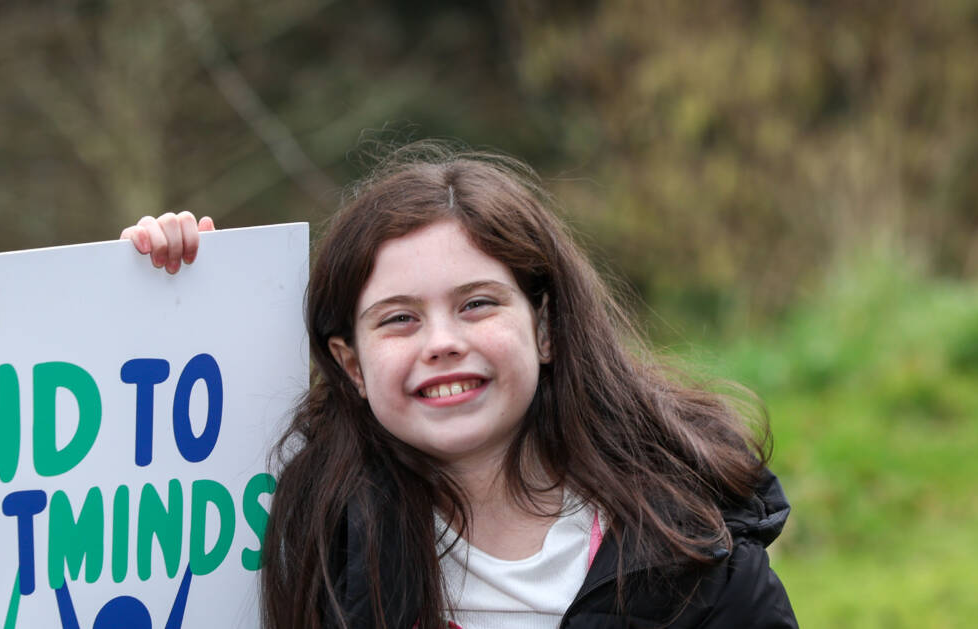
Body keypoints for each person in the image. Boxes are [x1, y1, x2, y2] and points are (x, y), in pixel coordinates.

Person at [120, 143, 796, 628]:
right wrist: (172, 296)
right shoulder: (319, 545)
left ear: (546, 328)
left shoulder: (697, 547)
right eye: (399, 318)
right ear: (352, 365)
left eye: (477, 303)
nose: (442, 341)